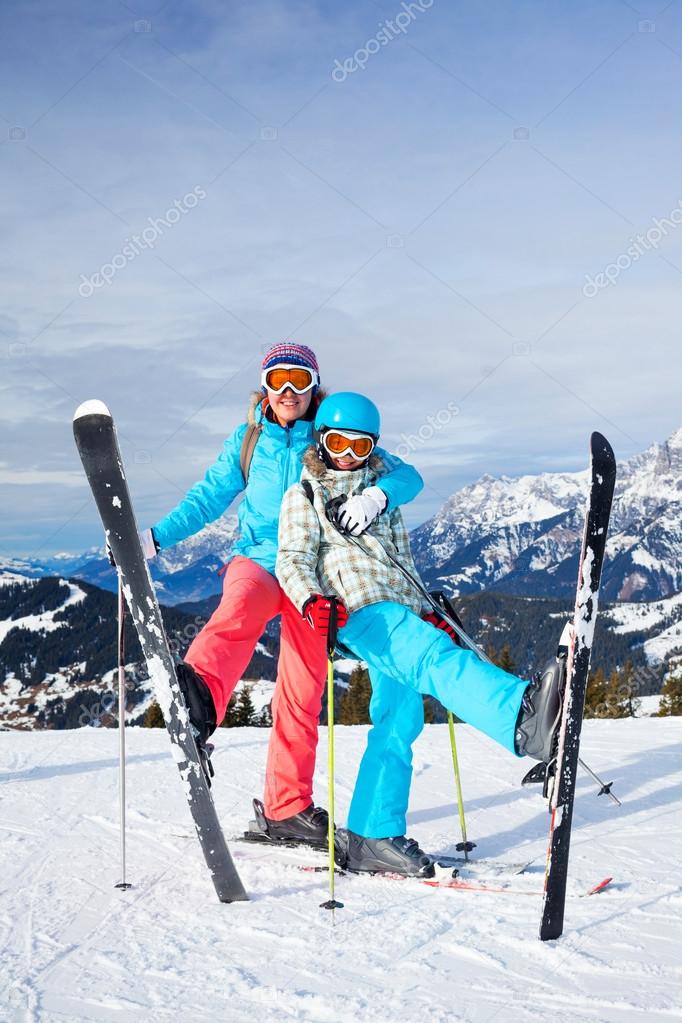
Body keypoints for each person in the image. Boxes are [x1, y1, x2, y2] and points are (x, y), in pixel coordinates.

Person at [139, 345, 424, 848]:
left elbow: (407, 475)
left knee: (304, 686)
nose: (289, 391)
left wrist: (376, 496)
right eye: (278, 379)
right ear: (264, 386)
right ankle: (196, 700)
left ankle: (286, 807)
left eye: (299, 379)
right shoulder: (250, 440)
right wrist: (155, 538)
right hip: (261, 559)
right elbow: (207, 497)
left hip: (314, 576)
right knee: (240, 608)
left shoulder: (333, 433)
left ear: (315, 384)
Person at [275, 392, 564, 876]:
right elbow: (292, 559)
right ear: (319, 440)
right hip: (360, 609)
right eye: (337, 442)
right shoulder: (304, 496)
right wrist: (310, 600)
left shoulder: (380, 484)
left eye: (359, 446)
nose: (347, 455)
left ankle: (371, 834)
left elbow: (412, 477)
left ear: (373, 448)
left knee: (399, 717)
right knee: (435, 658)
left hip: (404, 605)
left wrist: (376, 497)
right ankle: (519, 717)